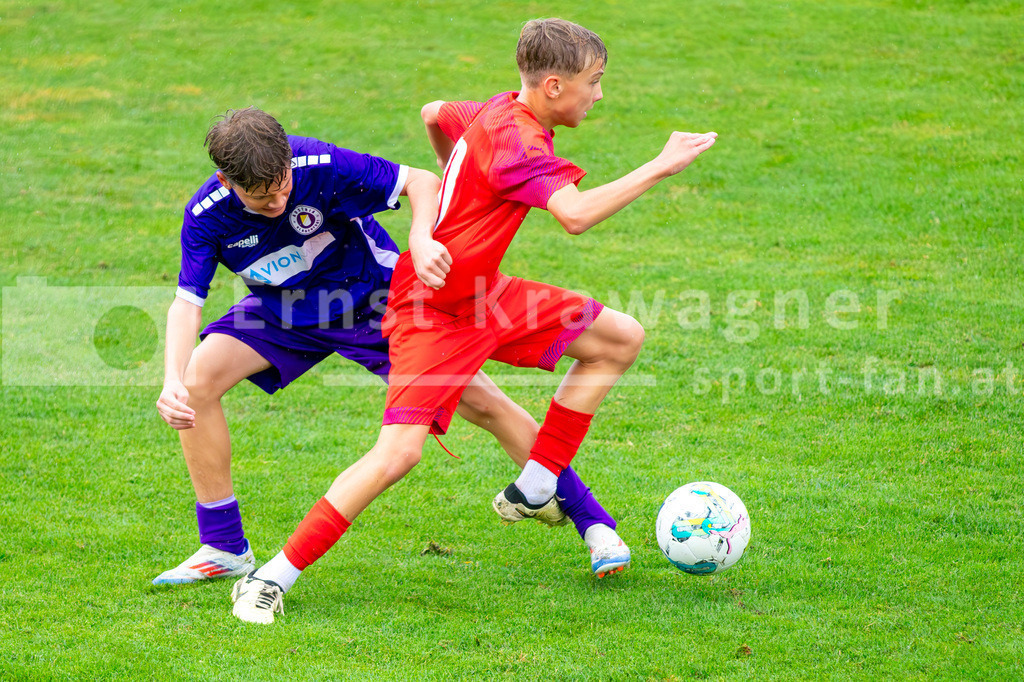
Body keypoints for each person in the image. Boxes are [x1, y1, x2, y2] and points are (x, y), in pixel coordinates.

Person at [230, 19, 716, 624]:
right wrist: (660, 166)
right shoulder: (520, 144)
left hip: (485, 294)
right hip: (430, 313)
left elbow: (436, 112)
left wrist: (455, 202)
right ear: (556, 86)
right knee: (398, 454)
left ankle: (538, 482)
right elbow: (576, 216)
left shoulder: (496, 109)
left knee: (619, 338)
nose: (600, 95)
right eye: (595, 82)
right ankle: (269, 578)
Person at [153, 107, 630, 590]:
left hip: (375, 301)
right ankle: (224, 547)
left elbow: (419, 181)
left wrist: (419, 239)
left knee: (484, 403)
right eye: (261, 198)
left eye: (282, 187)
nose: (277, 202)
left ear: (287, 160)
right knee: (195, 385)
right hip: (286, 310)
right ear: (225, 180)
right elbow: (185, 302)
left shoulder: (316, 162)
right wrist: (172, 378)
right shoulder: (205, 216)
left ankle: (593, 523)